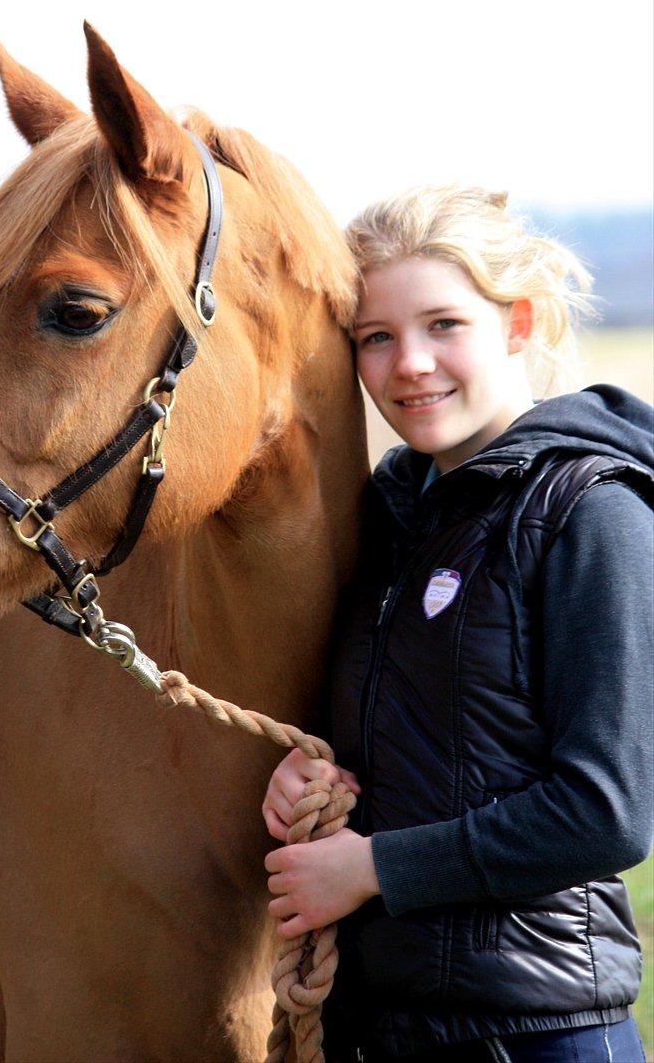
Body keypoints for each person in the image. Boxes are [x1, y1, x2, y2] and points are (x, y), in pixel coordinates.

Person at [261, 186, 653, 1062]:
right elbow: (420, 748)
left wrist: (372, 869)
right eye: (375, 337)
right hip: (381, 1028)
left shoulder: (590, 514)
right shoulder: (386, 521)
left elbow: (607, 812)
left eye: (443, 325)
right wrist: (304, 778)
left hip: (538, 1033)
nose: (409, 364)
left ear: (516, 324)